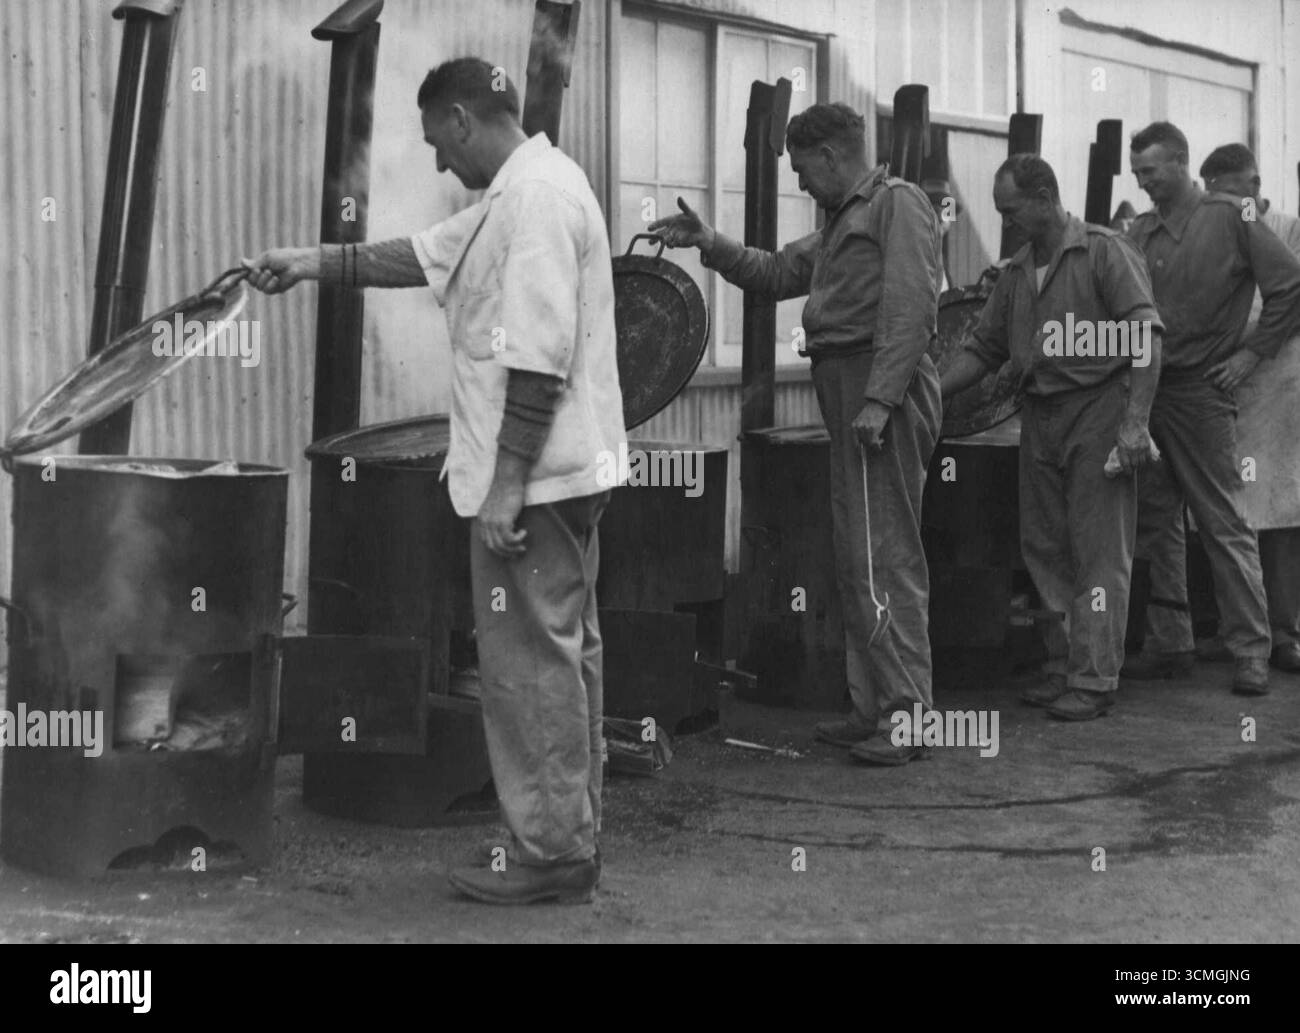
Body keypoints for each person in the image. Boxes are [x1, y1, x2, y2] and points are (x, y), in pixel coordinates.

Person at [244, 57, 625, 904]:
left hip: (541, 480)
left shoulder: (534, 202)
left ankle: (552, 851)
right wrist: (307, 260)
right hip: (564, 476)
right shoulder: (520, 194)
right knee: (565, 659)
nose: (440, 165)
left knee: (528, 669)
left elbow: (538, 360)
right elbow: (416, 257)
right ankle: (568, 835)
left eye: (437, 145)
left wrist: (504, 486)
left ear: (461, 118)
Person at [650, 102, 942, 765]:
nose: (803, 185)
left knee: (885, 557)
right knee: (855, 555)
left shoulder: (899, 206)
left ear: (834, 157)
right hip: (848, 385)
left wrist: (880, 400)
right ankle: (872, 707)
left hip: (877, 386)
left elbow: (912, 307)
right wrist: (709, 243)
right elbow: (778, 272)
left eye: (805, 171)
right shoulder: (845, 221)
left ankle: (907, 719)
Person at [940, 155, 1164, 720]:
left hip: (1098, 410)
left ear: (1044, 197)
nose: (1006, 224)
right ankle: (1061, 666)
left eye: (1011, 211)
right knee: (1043, 546)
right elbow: (982, 349)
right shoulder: (1016, 273)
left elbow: (1146, 337)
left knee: (1098, 551)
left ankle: (1093, 679)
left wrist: (1135, 422)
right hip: (1039, 414)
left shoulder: (1104, 251)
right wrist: (930, 392)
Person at [1122, 122, 1300, 696]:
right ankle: (1169, 641)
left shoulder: (1233, 216)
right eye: (1138, 172)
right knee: (1156, 523)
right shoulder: (1140, 231)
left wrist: (1253, 352)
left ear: (1180, 162)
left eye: (1151, 170)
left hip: (1201, 392)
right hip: (1148, 392)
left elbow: (1291, 285)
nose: (1143, 181)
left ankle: (1252, 648)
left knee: (1223, 520)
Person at [1191, 144, 1300, 673]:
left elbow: (1294, 296)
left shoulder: (1287, 227)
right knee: (1223, 510)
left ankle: (1283, 633)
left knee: (1277, 509)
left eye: (1251, 187)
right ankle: (1232, 629)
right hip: (1218, 386)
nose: (1247, 200)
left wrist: (1249, 351)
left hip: (1275, 381)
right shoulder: (1203, 228)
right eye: (1234, 193)